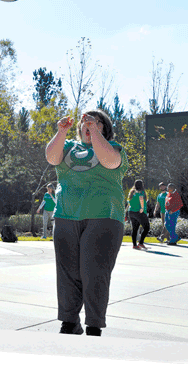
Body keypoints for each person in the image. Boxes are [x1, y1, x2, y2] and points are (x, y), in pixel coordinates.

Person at [45, 110, 128, 336]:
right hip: (66, 215)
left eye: (97, 122)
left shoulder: (114, 147)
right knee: (67, 273)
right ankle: (69, 322)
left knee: (95, 273)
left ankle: (93, 325)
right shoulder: (68, 146)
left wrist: (95, 132)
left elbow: (110, 162)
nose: (89, 125)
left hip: (104, 216)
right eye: (85, 122)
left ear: (105, 128)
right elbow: (51, 158)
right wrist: (61, 131)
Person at [126, 179, 150, 250]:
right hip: (139, 212)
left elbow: (128, 201)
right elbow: (141, 199)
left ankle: (134, 245)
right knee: (147, 227)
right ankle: (141, 243)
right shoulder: (141, 192)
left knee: (135, 228)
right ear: (142, 185)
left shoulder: (131, 192)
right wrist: (142, 208)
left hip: (131, 212)